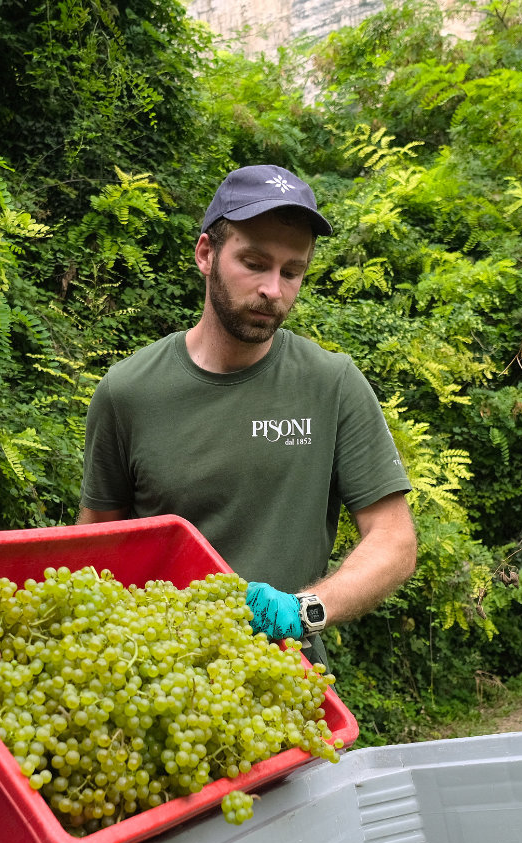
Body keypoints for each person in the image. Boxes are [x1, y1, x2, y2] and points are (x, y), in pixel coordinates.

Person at [78, 164, 417, 665]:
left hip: (284, 680)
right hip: (155, 675)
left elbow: (394, 539)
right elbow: (93, 549)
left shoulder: (331, 383)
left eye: (292, 271)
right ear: (206, 254)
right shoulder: (128, 392)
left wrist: (307, 608)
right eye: (254, 263)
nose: (273, 290)